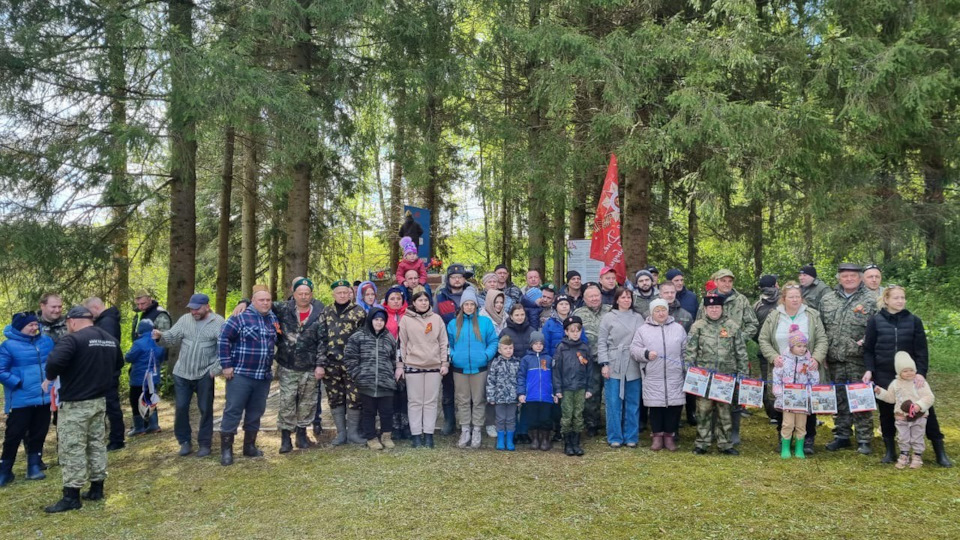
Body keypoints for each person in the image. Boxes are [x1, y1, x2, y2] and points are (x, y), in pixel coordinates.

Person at [42, 306, 124, 513]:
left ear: (72, 321)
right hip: (99, 401)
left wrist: (50, 378)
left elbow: (54, 361)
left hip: (76, 403)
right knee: (96, 444)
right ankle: (97, 488)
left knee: (72, 448)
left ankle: (72, 496)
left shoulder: (73, 339)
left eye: (68, 323)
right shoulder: (109, 339)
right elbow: (118, 364)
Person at [864, 285, 952, 467]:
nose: (900, 301)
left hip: (910, 376)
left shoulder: (914, 321)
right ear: (886, 300)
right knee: (887, 412)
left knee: (926, 411)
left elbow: (922, 350)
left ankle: (939, 451)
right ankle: (891, 451)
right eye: (896, 298)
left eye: (903, 297)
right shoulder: (875, 321)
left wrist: (920, 373)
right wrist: (869, 369)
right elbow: (869, 350)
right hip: (885, 373)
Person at [235, 277, 326, 453]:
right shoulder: (283, 308)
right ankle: (286, 439)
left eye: (307, 294)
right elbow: (263, 302)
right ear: (294, 294)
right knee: (287, 403)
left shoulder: (320, 311)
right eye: (300, 293)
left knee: (307, 404)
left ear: (311, 295)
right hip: (288, 366)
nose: (304, 297)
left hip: (310, 367)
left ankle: (301, 435)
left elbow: (323, 341)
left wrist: (320, 365)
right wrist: (244, 301)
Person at [759, 282, 828, 456]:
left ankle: (807, 440)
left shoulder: (811, 315)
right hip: (783, 368)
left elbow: (822, 339)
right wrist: (774, 357)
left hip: (806, 368)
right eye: (791, 296)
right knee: (782, 404)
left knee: (807, 405)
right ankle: (784, 439)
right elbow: (763, 339)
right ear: (784, 298)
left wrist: (816, 358)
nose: (795, 299)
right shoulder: (774, 316)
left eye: (798, 296)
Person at [154, 293, 225, 458]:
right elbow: (171, 338)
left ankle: (205, 443)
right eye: (191, 309)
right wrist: (160, 337)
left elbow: (225, 349)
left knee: (206, 409)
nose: (194, 312)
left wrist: (215, 370)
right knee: (181, 407)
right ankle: (184, 442)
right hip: (182, 373)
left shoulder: (219, 322)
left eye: (197, 308)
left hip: (204, 374)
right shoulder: (185, 320)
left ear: (207, 306)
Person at [818, 262, 878, 454]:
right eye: (845, 276)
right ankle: (842, 435)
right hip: (834, 358)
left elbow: (878, 327)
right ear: (839, 278)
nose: (849, 279)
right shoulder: (827, 299)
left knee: (860, 399)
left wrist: (864, 343)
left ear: (860, 278)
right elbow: (821, 329)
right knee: (839, 399)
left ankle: (864, 439)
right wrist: (823, 353)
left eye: (853, 275)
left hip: (858, 359)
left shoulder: (871, 299)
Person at [217, 285, 279, 466]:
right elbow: (223, 339)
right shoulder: (240, 316)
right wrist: (226, 365)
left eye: (268, 300)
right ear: (253, 301)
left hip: (263, 375)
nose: (265, 303)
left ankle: (249, 446)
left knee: (256, 412)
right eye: (262, 300)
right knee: (233, 410)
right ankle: (227, 451)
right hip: (241, 374)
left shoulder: (273, 318)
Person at [697, 269, 759, 446]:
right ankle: (711, 434)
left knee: (732, 396)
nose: (726, 284)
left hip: (733, 356)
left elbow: (752, 324)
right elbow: (699, 325)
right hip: (709, 356)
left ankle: (732, 433)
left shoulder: (741, 300)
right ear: (715, 281)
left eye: (729, 281)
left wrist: (738, 339)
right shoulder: (707, 301)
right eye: (723, 280)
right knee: (710, 396)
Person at [685, 295, 749, 455]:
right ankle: (702, 443)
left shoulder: (732, 326)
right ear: (706, 309)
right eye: (711, 308)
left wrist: (743, 373)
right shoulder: (698, 326)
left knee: (724, 412)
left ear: (722, 308)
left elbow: (740, 351)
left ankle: (725, 444)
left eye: (717, 307)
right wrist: (689, 368)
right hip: (704, 376)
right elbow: (690, 350)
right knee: (703, 411)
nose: (714, 310)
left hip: (725, 377)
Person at [0, 312, 54, 486]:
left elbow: (55, 363)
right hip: (21, 399)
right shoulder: (8, 346)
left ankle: (33, 466)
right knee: (14, 434)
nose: (34, 327)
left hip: (44, 397)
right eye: (30, 325)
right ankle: (5, 470)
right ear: (19, 327)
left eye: (35, 324)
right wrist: (18, 383)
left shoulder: (46, 342)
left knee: (39, 432)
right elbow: (1, 371)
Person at [631, 299, 688, 452]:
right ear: (651, 312)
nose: (661, 313)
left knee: (674, 407)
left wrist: (686, 368)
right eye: (657, 310)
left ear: (668, 311)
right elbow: (634, 349)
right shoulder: (643, 330)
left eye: (663, 309)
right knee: (655, 407)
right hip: (653, 375)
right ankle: (657, 436)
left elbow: (685, 350)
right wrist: (646, 354)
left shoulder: (678, 329)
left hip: (674, 374)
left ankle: (669, 436)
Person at [317, 280, 368, 446]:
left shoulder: (359, 312)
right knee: (335, 398)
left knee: (355, 397)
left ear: (350, 294)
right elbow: (321, 338)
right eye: (339, 292)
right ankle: (341, 434)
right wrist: (321, 362)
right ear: (334, 294)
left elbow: (364, 338)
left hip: (352, 364)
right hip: (331, 364)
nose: (342, 295)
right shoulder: (326, 312)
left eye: (345, 292)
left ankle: (353, 433)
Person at [447, 289, 498, 449]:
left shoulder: (485, 322)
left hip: (479, 368)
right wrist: (453, 356)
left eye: (472, 304)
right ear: (462, 306)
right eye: (466, 304)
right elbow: (448, 344)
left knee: (478, 400)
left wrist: (486, 355)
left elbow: (493, 341)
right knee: (462, 400)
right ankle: (465, 429)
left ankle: (477, 429)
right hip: (460, 369)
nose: (469, 307)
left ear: (476, 306)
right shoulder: (453, 324)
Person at [398, 290, 449, 449]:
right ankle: (416, 435)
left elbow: (443, 343)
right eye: (420, 300)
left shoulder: (437, 319)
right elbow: (401, 344)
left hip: (433, 366)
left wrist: (444, 363)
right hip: (413, 365)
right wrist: (401, 365)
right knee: (415, 402)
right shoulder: (405, 320)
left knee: (431, 402)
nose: (423, 303)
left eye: (426, 300)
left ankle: (428, 434)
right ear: (414, 303)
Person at [345, 308, 399, 450]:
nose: (379, 322)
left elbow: (394, 359)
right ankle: (371, 437)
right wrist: (358, 375)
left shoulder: (389, 338)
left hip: (386, 383)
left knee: (387, 411)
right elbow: (350, 359)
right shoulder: (358, 337)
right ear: (370, 320)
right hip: (366, 383)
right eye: (376, 319)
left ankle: (386, 435)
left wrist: (393, 375)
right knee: (369, 412)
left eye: (382, 320)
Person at [434, 263, 477, 435]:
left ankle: (471, 422)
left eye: (460, 277)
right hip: (449, 347)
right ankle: (449, 421)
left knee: (471, 387)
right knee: (449, 387)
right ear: (448, 279)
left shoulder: (472, 295)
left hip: (469, 347)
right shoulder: (441, 297)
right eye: (453, 277)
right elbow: (436, 320)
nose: (457, 279)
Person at [598, 288, 643, 448]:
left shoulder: (638, 318)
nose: (626, 300)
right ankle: (615, 436)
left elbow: (644, 340)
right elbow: (602, 341)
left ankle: (631, 436)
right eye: (623, 297)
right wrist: (604, 363)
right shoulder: (608, 317)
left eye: (629, 297)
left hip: (633, 362)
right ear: (617, 300)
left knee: (633, 402)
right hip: (614, 361)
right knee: (613, 402)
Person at [874, 352, 935, 469]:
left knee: (917, 436)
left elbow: (929, 397)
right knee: (903, 437)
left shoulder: (919, 383)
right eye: (905, 371)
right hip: (901, 417)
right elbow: (891, 398)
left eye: (911, 370)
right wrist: (880, 392)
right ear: (899, 372)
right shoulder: (895, 384)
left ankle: (917, 456)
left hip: (919, 416)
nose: (909, 373)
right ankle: (904, 454)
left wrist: (919, 405)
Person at [82, 296, 125, 451]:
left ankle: (117, 439)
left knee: (111, 405)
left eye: (88, 312)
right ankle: (114, 437)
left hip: (107, 371)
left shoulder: (107, 322)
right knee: (109, 405)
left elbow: (107, 347)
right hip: (106, 370)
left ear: (95, 307)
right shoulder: (105, 320)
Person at [772, 325, 820, 459]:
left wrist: (809, 394)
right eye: (799, 346)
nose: (802, 349)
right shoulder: (783, 361)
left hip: (802, 400)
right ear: (791, 346)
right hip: (787, 400)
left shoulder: (809, 362)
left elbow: (814, 379)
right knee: (787, 424)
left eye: (804, 346)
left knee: (801, 425)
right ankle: (786, 447)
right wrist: (779, 392)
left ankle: (800, 448)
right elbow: (776, 377)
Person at [573, 283, 610, 437]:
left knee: (610, 393)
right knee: (592, 393)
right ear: (584, 298)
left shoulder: (610, 310)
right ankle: (592, 424)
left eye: (597, 296)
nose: (594, 299)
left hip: (609, 359)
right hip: (588, 360)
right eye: (591, 296)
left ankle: (611, 424)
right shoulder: (578, 313)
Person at [553, 316, 593, 457]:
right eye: (572, 331)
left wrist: (589, 388)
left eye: (578, 331)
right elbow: (556, 371)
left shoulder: (584, 348)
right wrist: (557, 389)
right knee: (567, 415)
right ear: (566, 332)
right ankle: (567, 443)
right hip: (566, 388)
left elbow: (590, 370)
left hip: (581, 387)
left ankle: (576, 442)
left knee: (578, 415)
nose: (575, 333)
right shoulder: (561, 348)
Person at [124, 319, 166, 437]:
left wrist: (125, 355)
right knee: (150, 399)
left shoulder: (138, 343)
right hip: (153, 378)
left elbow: (129, 358)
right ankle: (153, 425)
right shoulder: (159, 343)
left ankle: (139, 427)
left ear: (140, 329)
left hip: (139, 378)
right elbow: (162, 359)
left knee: (136, 401)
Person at [382, 285, 410, 441]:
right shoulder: (382, 315)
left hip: (407, 359)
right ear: (387, 301)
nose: (396, 301)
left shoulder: (409, 314)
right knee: (391, 395)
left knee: (405, 395)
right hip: (388, 361)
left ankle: (405, 425)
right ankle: (394, 426)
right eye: (392, 299)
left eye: (398, 298)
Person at [517, 331, 554, 451]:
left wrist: (555, 391)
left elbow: (555, 377)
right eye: (535, 343)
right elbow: (521, 377)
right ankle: (535, 439)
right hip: (531, 395)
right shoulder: (526, 360)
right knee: (532, 418)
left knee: (545, 418)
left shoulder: (549, 359)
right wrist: (521, 393)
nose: (538, 346)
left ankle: (545, 439)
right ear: (531, 344)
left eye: (541, 343)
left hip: (547, 395)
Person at [486, 336, 521, 451]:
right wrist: (491, 396)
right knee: (500, 418)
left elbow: (520, 380)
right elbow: (491, 380)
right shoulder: (495, 363)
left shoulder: (517, 363)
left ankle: (509, 440)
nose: (508, 351)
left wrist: (520, 395)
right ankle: (500, 440)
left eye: (510, 348)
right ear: (499, 350)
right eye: (505, 348)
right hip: (499, 397)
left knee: (511, 419)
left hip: (513, 397)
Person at [753, 274, 780, 383]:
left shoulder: (756, 306)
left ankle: (766, 399)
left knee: (766, 380)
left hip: (764, 351)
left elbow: (753, 329)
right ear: (775, 286)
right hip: (784, 351)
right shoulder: (785, 301)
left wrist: (761, 342)